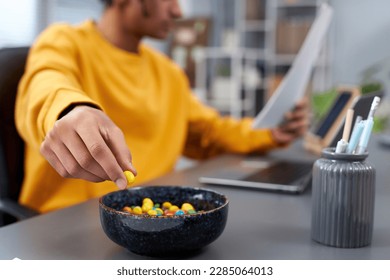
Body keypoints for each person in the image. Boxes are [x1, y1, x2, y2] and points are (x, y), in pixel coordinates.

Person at [15, 0, 309, 213]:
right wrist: (71, 110)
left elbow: (209, 133)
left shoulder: (168, 72)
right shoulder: (63, 40)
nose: (178, 11)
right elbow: (45, 84)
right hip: (66, 224)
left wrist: (271, 133)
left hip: (154, 219)